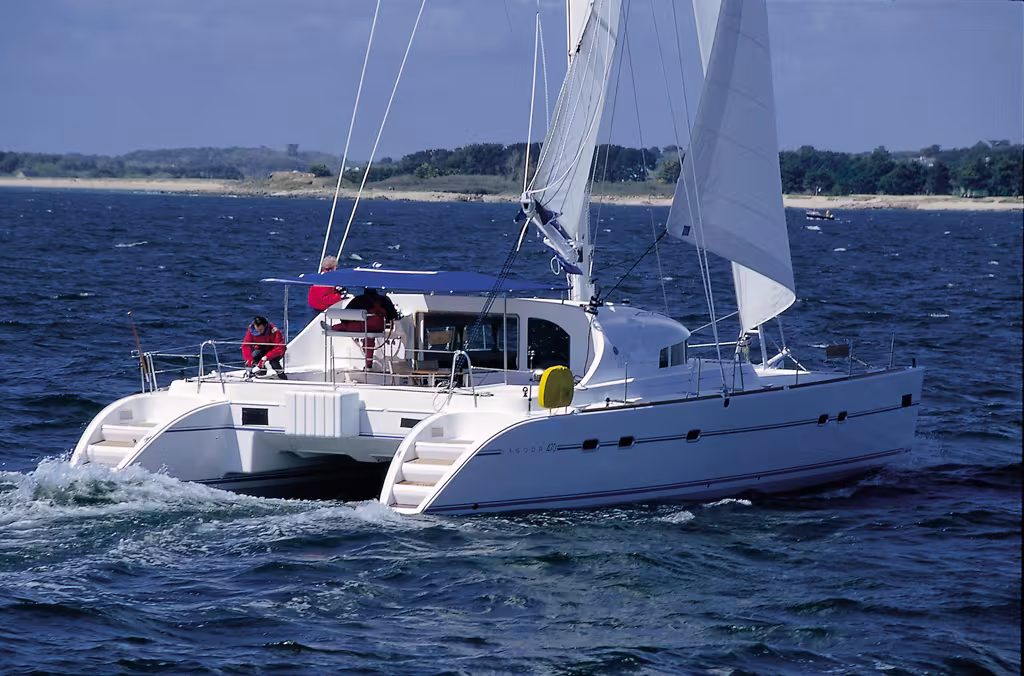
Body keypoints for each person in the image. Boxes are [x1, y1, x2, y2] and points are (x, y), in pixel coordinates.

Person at [331, 288, 399, 369]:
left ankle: (333, 327)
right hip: (379, 327)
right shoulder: (384, 299)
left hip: (364, 326)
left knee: (347, 326)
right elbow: (393, 315)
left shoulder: (358, 299)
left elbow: (345, 315)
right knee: (370, 340)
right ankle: (369, 364)